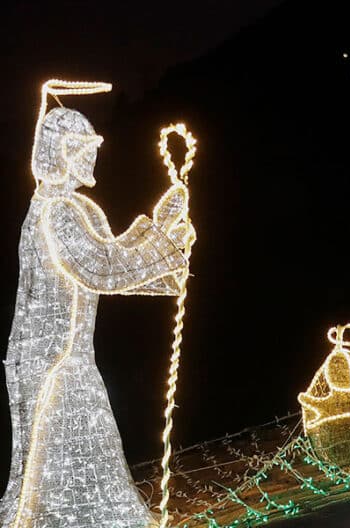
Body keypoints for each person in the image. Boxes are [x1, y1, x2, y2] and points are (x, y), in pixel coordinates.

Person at [0, 81, 194, 528]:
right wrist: (163, 244)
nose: (91, 156)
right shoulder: (54, 211)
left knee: (85, 449)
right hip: (52, 361)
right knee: (60, 459)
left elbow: (113, 261)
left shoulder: (77, 208)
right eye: (83, 148)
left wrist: (167, 238)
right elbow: (102, 270)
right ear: (61, 153)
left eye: (92, 147)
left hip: (72, 358)